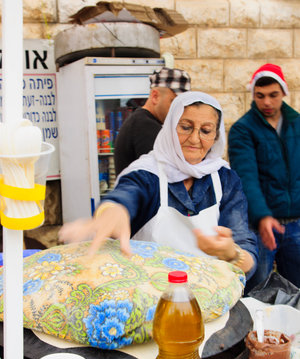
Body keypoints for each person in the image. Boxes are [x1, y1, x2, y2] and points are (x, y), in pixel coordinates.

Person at [60, 91, 257, 278]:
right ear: (170, 128)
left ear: (216, 137)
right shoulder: (149, 174)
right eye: (186, 127)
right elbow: (127, 193)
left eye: (205, 130)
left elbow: (246, 252)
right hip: (151, 299)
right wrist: (113, 210)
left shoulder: (225, 179)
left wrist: (232, 254)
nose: (195, 139)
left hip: (209, 298)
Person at [228, 63, 300, 292]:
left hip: (296, 224)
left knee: (297, 289)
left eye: (273, 95)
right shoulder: (243, 129)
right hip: (261, 227)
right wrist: (262, 216)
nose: (267, 102)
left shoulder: (297, 124)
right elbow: (246, 177)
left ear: (284, 94)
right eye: (260, 96)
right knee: (256, 289)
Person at [113, 66, 191, 175]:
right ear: (155, 96)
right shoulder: (145, 126)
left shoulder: (141, 120)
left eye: (182, 104)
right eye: (174, 102)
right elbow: (164, 175)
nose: (179, 110)